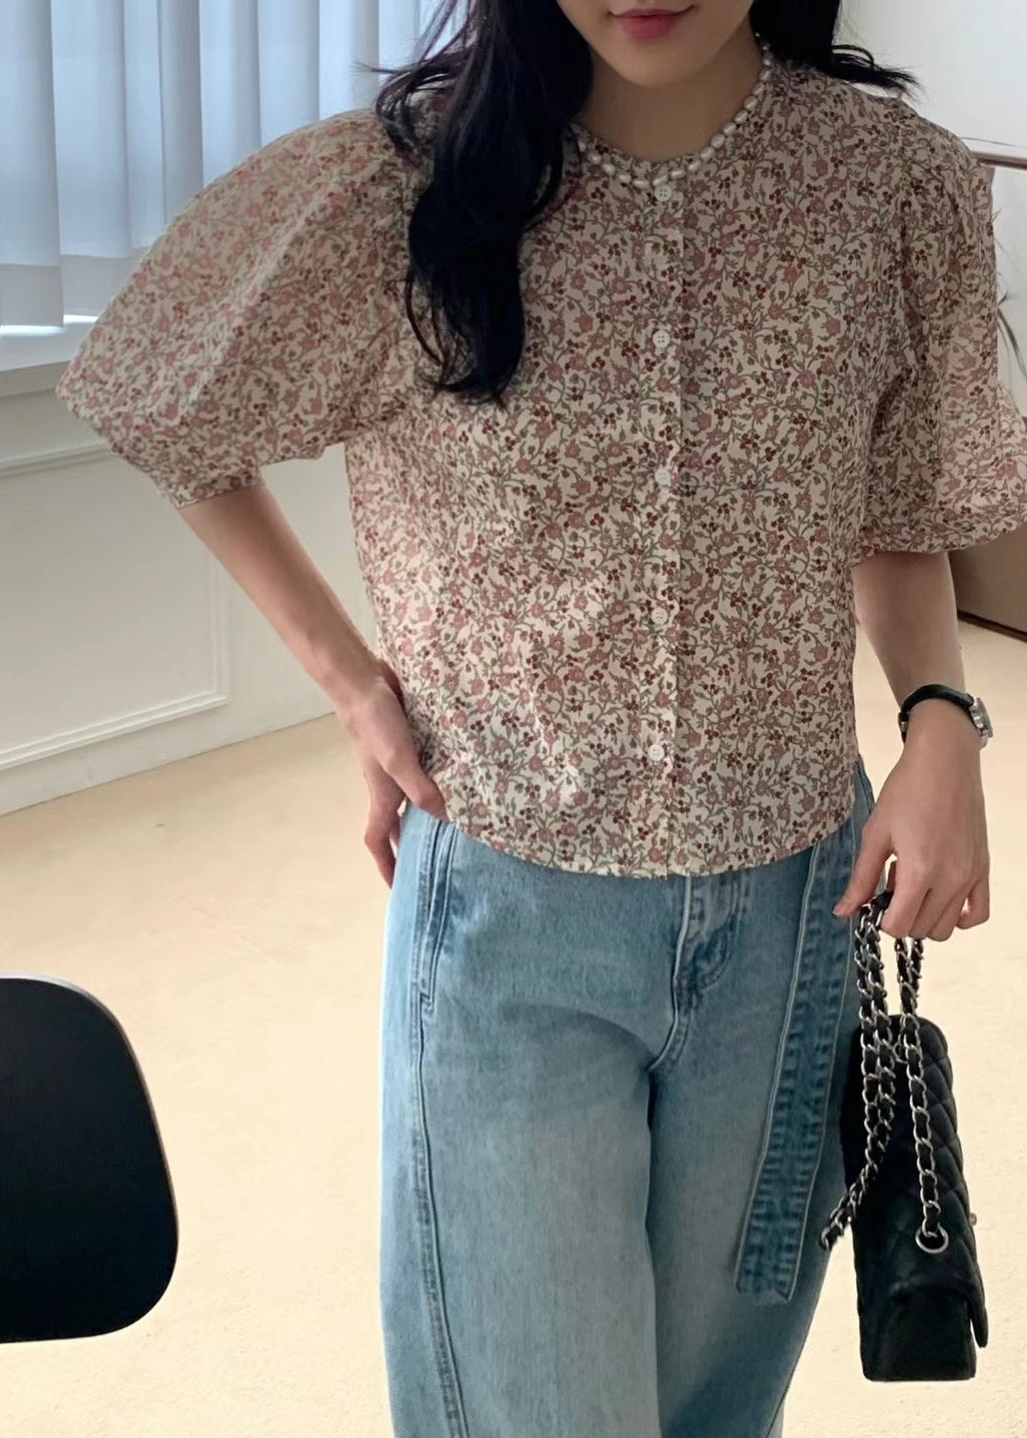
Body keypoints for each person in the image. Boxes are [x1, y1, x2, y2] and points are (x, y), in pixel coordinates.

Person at [54, 1, 1027, 1432]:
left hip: (793, 920)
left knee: (712, 1413)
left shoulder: (891, 185)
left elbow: (896, 501)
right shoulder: (397, 188)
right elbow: (156, 396)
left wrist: (939, 716)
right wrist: (353, 683)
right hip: (510, 917)